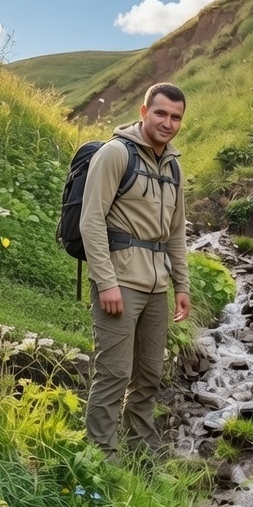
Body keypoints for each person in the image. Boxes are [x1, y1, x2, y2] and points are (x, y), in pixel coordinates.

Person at [80, 82, 191, 458]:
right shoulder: (115, 154)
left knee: (148, 376)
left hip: (157, 286)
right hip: (120, 282)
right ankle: (100, 460)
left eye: (176, 117)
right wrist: (106, 282)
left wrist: (182, 285)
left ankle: (141, 455)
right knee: (113, 374)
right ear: (144, 112)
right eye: (161, 113)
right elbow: (91, 220)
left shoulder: (174, 167)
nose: (168, 122)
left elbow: (176, 233)